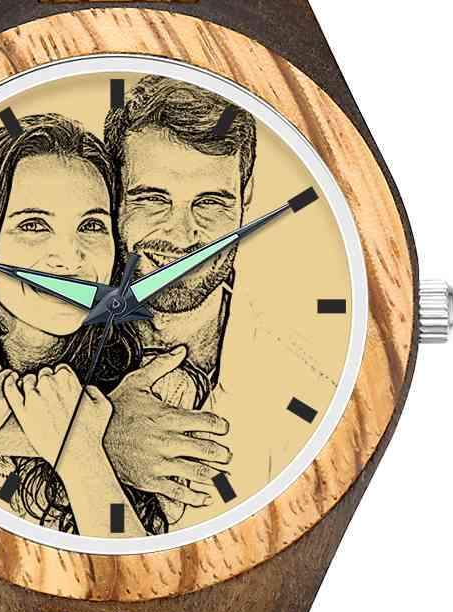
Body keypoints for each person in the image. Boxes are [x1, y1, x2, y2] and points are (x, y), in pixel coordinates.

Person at [0, 113, 221, 535]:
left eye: (92, 226)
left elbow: (138, 570)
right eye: (33, 225)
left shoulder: (157, 390)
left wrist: (82, 452)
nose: (69, 257)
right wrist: (100, 434)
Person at [104, 76, 339, 521]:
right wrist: (91, 432)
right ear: (113, 198)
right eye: (152, 199)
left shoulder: (307, 380)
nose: (182, 236)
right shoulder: (34, 329)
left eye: (210, 202)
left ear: (245, 199)